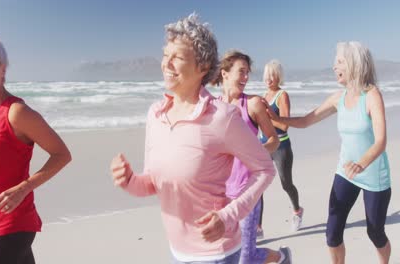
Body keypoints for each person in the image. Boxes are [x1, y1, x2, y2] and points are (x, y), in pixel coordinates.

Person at [110, 14, 281, 264]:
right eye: (165, 55)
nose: (166, 64)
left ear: (202, 67)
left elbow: (265, 170)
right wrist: (128, 181)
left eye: (177, 57)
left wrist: (228, 216)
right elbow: (152, 184)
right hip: (177, 251)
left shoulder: (222, 117)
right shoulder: (155, 115)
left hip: (216, 254)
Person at [266, 41, 391, 264]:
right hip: (345, 172)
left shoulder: (372, 96)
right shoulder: (337, 98)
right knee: (332, 233)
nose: (334, 67)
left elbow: (381, 141)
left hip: (374, 176)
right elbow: (306, 121)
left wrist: (361, 163)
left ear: (355, 64)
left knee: (375, 232)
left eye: (340, 62)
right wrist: (277, 119)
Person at [0, 34, 72, 264]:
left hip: (15, 222)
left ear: (3, 69)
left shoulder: (16, 112)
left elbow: (62, 154)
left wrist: (24, 188)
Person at [211, 50, 292, 264]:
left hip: (248, 190)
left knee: (245, 258)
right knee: (227, 252)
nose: (246, 77)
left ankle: (281, 256)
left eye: (248, 72)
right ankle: (281, 256)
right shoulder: (214, 105)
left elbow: (274, 139)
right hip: (221, 192)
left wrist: (255, 153)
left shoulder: (253, 104)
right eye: (241, 72)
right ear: (225, 73)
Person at [259, 60, 304, 233]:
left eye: (273, 75)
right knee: (259, 185)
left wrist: (267, 118)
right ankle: (258, 227)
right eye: (267, 75)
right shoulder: (263, 96)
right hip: (264, 145)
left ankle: (297, 211)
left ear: (279, 77)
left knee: (286, 184)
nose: (269, 79)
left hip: (280, 147)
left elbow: (285, 125)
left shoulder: (282, 95)